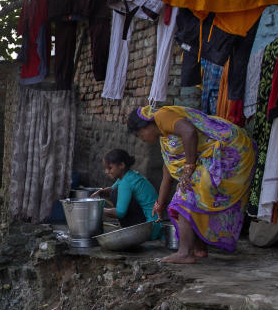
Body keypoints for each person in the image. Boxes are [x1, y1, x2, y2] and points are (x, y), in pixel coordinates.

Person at [126, 104, 256, 263]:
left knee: (184, 196)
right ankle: (199, 248)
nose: (143, 140)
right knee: (193, 197)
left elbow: (189, 132)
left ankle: (184, 253)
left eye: (140, 135)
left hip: (228, 150)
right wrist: (159, 203)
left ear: (144, 126)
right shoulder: (165, 140)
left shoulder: (161, 116)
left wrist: (188, 169)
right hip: (214, 156)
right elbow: (167, 174)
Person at [94, 149, 162, 240]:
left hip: (149, 229)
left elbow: (120, 213)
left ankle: (131, 231)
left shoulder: (126, 182)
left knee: (116, 194)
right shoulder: (129, 175)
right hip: (155, 225)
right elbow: (111, 190)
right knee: (115, 192)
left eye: (109, 168)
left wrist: (96, 209)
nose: (106, 172)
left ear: (121, 165)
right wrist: (100, 192)